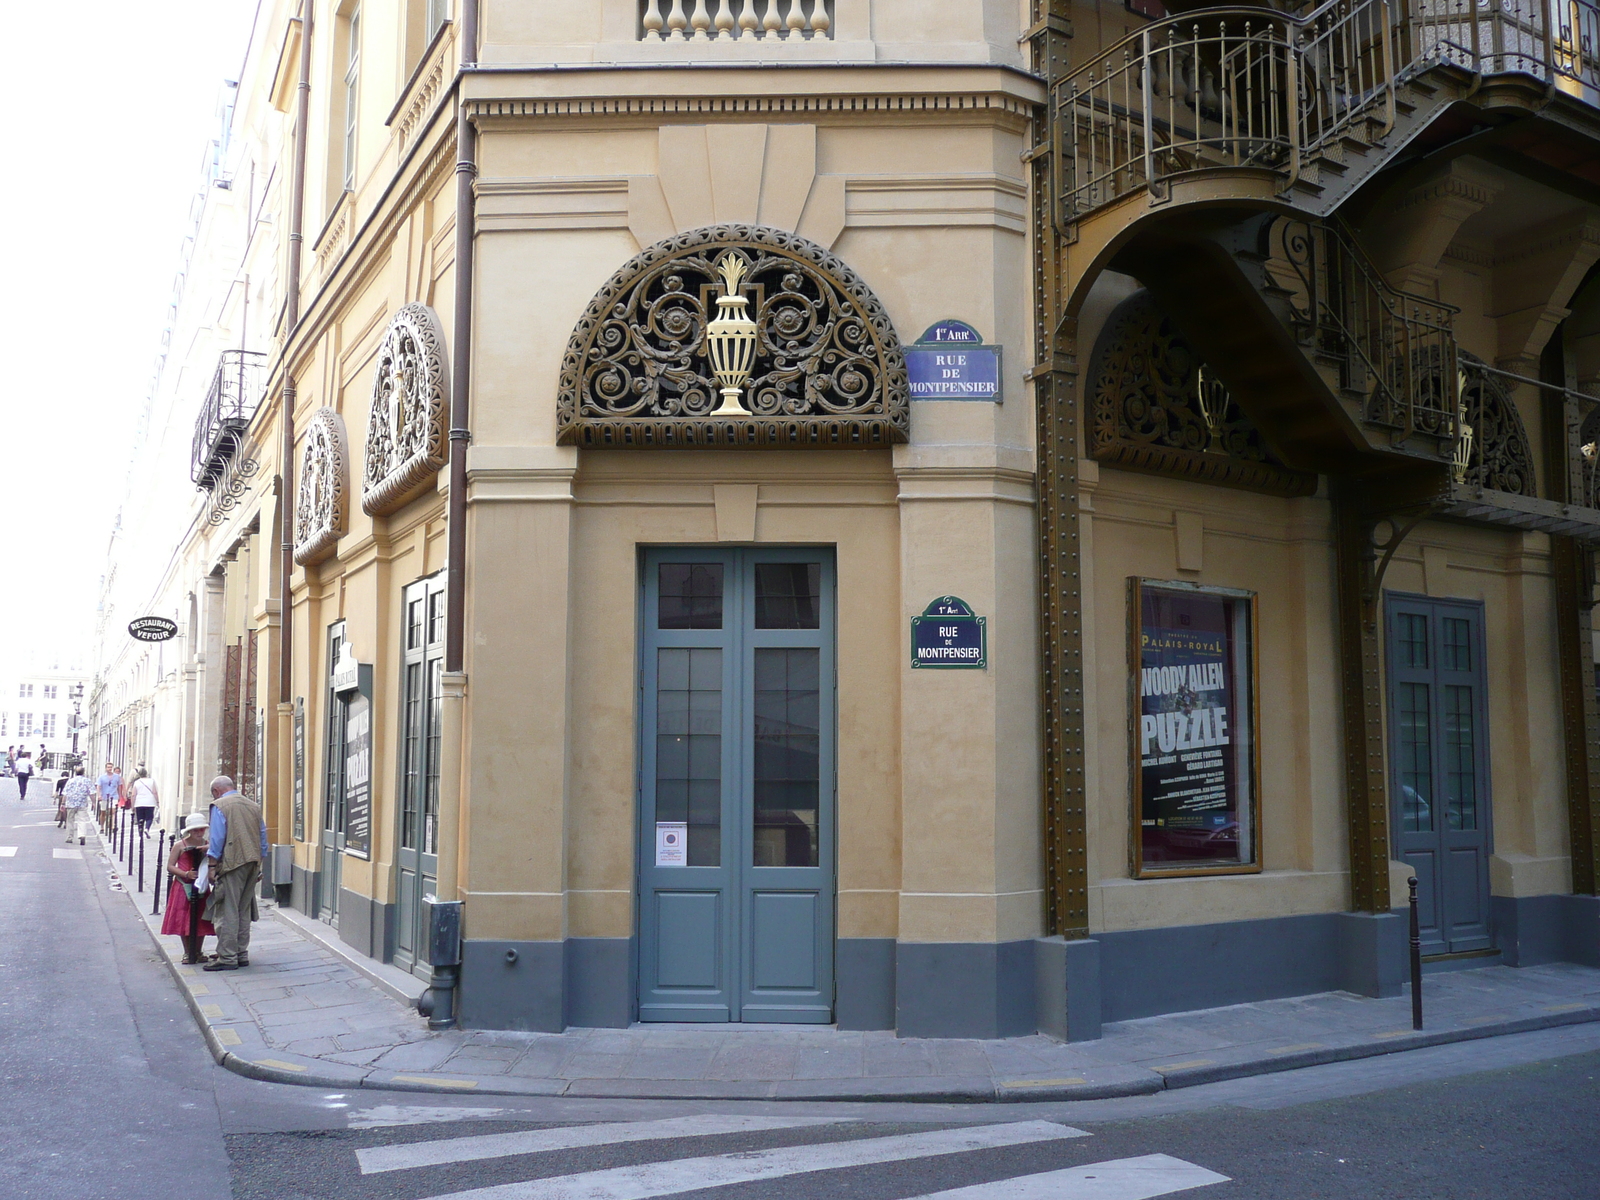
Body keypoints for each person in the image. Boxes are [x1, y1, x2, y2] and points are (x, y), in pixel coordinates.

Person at [201, 776, 267, 972]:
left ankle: (228, 956)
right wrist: (260, 861)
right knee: (243, 909)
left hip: (232, 862)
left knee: (227, 909)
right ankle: (240, 953)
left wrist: (212, 865)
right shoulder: (253, 805)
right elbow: (262, 835)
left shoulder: (220, 805)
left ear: (216, 791)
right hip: (253, 861)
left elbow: (217, 838)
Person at [163, 814, 216, 965]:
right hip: (182, 886)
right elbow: (170, 866)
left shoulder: (207, 844)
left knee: (201, 918)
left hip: (201, 886)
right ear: (189, 831)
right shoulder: (180, 845)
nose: (199, 833)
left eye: (202, 829)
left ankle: (198, 950)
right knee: (183, 918)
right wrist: (185, 874)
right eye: (196, 830)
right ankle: (188, 951)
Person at [61, 767, 93, 846]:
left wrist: (62, 803)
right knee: (82, 820)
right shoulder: (87, 781)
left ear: (75, 772)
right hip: (82, 803)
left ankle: (70, 837)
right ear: (83, 772)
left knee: (70, 820)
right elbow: (92, 793)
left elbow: (65, 793)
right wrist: (94, 803)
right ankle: (82, 835)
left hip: (70, 803)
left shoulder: (70, 781)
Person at [128, 766, 158, 834]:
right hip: (150, 802)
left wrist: (132, 805)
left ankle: (140, 831)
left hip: (139, 802)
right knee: (149, 817)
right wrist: (157, 801)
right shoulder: (152, 781)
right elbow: (155, 792)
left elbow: (133, 795)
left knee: (140, 818)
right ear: (146, 773)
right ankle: (147, 828)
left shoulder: (137, 782)